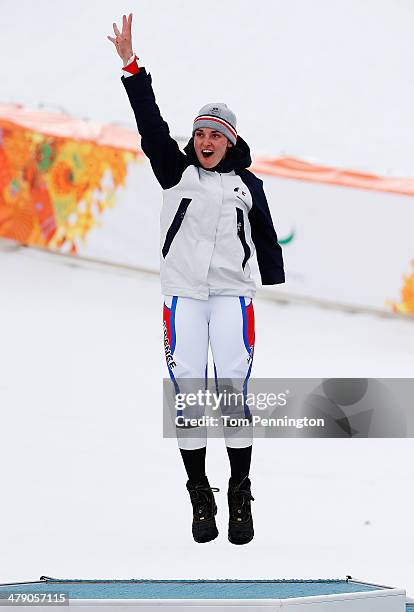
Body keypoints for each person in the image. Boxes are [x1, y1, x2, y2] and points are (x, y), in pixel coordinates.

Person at [108, 13, 285, 545]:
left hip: (232, 297)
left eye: (216, 134)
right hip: (183, 297)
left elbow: (267, 237)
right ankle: (199, 493)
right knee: (189, 394)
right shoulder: (176, 170)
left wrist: (269, 276)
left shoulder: (248, 185)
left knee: (233, 391)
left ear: (231, 142)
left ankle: (239, 491)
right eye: (200, 133)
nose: (205, 140)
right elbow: (151, 125)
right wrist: (131, 67)